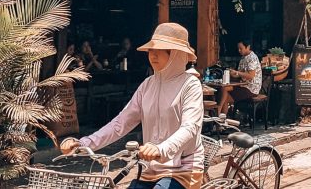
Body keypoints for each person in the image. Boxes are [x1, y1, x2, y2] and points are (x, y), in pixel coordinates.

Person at [60, 23, 205, 189]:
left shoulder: (190, 84)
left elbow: (190, 127)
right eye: (151, 50)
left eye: (161, 50)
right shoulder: (147, 85)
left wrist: (160, 149)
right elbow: (121, 123)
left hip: (182, 169)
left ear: (176, 54)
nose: (153, 55)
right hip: (150, 168)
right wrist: (84, 143)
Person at [217, 39, 262, 116]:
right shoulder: (243, 58)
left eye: (241, 48)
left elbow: (251, 75)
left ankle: (218, 111)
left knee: (224, 97)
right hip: (242, 85)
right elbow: (239, 74)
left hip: (251, 88)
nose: (239, 50)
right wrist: (232, 73)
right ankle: (221, 119)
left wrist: (237, 72)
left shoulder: (252, 58)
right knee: (223, 89)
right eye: (238, 49)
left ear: (248, 47)